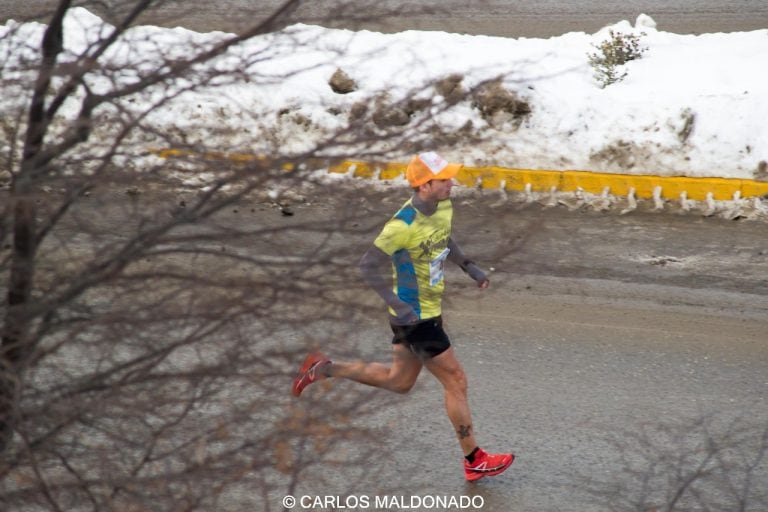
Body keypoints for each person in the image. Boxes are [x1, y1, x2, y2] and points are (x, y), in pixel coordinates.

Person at [291, 151, 514, 482]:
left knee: (399, 381)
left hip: (425, 311)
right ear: (425, 186)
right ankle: (474, 458)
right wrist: (397, 303)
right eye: (444, 179)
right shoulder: (400, 226)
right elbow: (366, 265)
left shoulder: (443, 206)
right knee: (456, 380)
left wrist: (468, 266)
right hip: (415, 317)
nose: (452, 183)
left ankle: (323, 368)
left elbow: (443, 238)